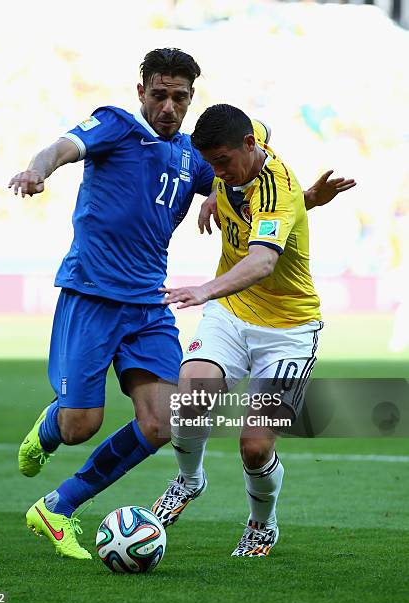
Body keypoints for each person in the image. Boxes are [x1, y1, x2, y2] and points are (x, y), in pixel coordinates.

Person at [9, 48, 353, 561]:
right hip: (94, 294)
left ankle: (58, 508)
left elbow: (253, 186)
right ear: (141, 91)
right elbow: (61, 147)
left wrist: (289, 197)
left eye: (180, 97)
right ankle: (52, 427)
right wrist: (36, 171)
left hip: (150, 305)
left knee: (164, 420)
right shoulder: (115, 125)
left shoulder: (197, 156)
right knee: (81, 425)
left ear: (192, 99)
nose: (169, 106)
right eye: (159, 94)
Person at [152, 104, 356, 558]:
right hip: (233, 311)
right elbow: (246, 159)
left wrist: (205, 289)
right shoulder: (249, 138)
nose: (217, 173)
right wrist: (215, 194)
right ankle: (188, 480)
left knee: (254, 445)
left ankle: (262, 525)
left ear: (249, 147)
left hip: (287, 328)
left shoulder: (278, 191)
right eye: (211, 165)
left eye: (223, 163)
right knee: (193, 390)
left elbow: (263, 261)